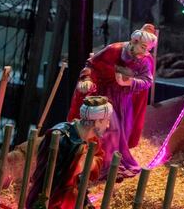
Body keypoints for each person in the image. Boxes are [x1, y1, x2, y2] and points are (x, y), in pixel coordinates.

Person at [67, 24, 157, 178]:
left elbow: (147, 81)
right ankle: (103, 166)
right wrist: (86, 79)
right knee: (108, 129)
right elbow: (92, 65)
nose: (142, 51)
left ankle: (113, 163)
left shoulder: (144, 59)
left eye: (145, 48)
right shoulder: (113, 50)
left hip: (125, 100)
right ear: (133, 41)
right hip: (106, 96)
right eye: (140, 45)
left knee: (123, 132)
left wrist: (129, 82)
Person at [26, 96, 111, 209]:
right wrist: (79, 164)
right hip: (54, 202)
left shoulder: (91, 140)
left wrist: (89, 164)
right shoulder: (61, 137)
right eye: (106, 121)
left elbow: (97, 160)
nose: (108, 125)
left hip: (72, 200)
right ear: (96, 122)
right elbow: (48, 174)